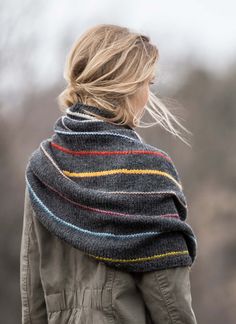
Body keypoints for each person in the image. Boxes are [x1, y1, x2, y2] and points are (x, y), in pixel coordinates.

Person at [20, 24, 198, 323]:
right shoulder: (148, 172)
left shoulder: (44, 166)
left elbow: (33, 298)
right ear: (126, 86)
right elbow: (171, 305)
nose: (147, 96)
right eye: (147, 83)